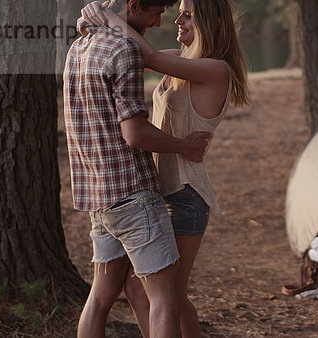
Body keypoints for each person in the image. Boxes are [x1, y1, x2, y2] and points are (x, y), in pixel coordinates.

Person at [78, 0, 249, 336]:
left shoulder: (216, 69)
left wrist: (108, 17)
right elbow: (130, 53)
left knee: (164, 293)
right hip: (156, 189)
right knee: (152, 292)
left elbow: (149, 56)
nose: (178, 19)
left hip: (185, 193)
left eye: (188, 14)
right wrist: (91, 21)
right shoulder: (183, 61)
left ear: (209, 22)